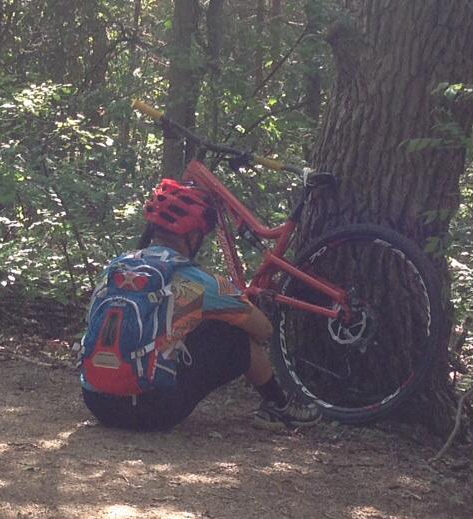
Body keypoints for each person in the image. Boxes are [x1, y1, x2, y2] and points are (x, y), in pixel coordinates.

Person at [80, 179, 318, 431]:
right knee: (235, 335)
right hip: (153, 411)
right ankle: (279, 407)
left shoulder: (116, 266)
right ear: (193, 235)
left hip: (97, 402)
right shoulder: (202, 281)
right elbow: (264, 329)